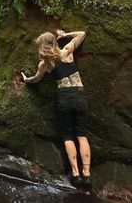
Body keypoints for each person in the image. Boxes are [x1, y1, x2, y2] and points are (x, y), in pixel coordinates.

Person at [21, 30, 92, 190]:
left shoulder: (45, 65)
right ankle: (86, 173)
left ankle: (75, 173)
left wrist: (26, 80)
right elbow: (82, 34)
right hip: (79, 94)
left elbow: (36, 79)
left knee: (68, 135)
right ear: (55, 42)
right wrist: (65, 34)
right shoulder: (67, 51)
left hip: (64, 97)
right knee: (82, 134)